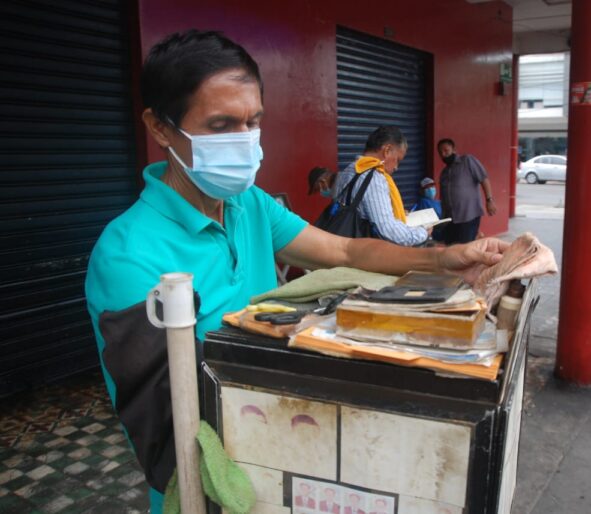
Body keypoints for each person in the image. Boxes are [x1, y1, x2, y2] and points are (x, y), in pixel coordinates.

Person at [84, 30, 510, 513]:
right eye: (221, 124)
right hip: (217, 491)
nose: (243, 141)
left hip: (293, 464)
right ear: (160, 128)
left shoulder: (247, 204)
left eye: (252, 122)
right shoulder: (128, 256)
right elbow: (166, 432)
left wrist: (441, 259)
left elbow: (346, 251)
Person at [333, 126, 428, 246]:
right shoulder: (374, 178)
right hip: (363, 255)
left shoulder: (348, 170)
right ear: (387, 150)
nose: (396, 167)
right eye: (397, 160)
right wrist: (423, 232)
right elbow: (387, 230)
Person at [437, 138, 496, 244]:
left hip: (468, 216)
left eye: (446, 150)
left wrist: (489, 200)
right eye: (440, 153)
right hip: (450, 219)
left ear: (454, 150)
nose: (443, 154)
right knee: (451, 248)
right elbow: (443, 197)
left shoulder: (467, 161)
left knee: (466, 248)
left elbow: (483, 178)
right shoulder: (444, 173)